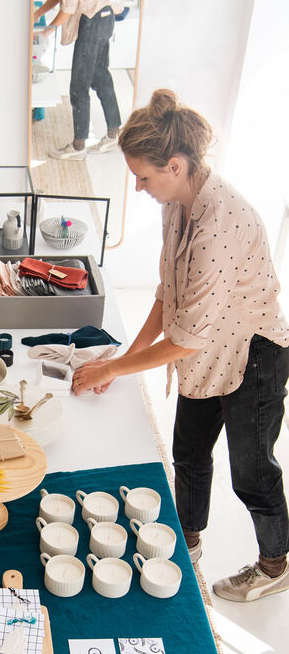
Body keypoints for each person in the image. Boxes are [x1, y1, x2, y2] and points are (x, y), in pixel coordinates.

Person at [71, 88, 289, 603]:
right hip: (208, 348)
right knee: (188, 453)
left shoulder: (220, 222)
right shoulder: (177, 203)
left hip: (254, 354)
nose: (139, 187)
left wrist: (113, 371)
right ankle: (185, 544)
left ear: (174, 165)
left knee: (252, 471)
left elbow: (185, 338)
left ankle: (276, 563)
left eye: (143, 177)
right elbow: (168, 295)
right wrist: (121, 357)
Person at [34, 0, 121, 161]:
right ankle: (114, 134)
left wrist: (47, 30)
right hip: (104, 15)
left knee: (78, 86)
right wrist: (38, 13)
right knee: (100, 76)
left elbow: (68, 6)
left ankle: (78, 147)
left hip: (93, 21)